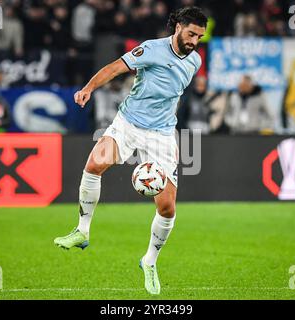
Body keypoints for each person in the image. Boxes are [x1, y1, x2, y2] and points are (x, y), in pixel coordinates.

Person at [54, 6, 207, 295]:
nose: (194, 41)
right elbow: (114, 68)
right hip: (129, 123)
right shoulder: (150, 49)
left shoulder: (194, 62)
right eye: (190, 34)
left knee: (167, 207)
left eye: (199, 36)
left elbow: (171, 92)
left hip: (161, 135)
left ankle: (150, 261)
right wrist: (89, 88)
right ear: (177, 28)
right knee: (94, 165)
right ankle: (82, 231)